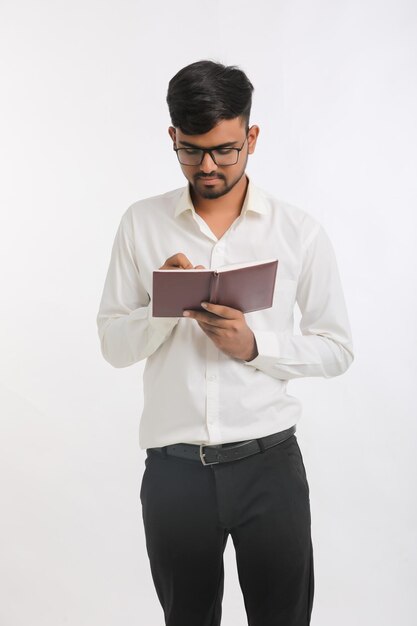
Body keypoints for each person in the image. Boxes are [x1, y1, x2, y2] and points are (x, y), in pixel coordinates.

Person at [96, 59, 354, 626]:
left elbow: (337, 347)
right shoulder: (141, 224)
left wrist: (255, 346)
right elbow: (113, 345)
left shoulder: (297, 231)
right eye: (191, 150)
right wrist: (164, 306)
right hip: (174, 472)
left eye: (224, 150)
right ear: (173, 138)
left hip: (269, 465)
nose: (208, 166)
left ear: (251, 137)